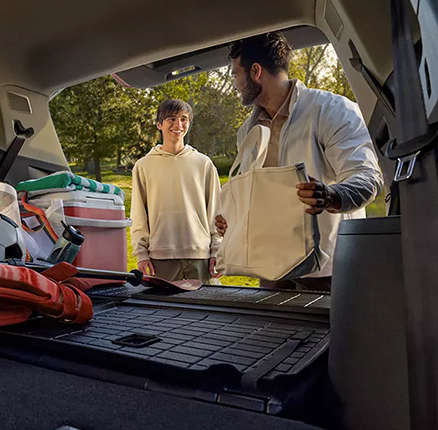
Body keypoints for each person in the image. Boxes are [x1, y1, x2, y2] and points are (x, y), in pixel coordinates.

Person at [215, 32, 383, 292]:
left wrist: (331, 195)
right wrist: (233, 218)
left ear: (255, 71)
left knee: (323, 334)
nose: (236, 83)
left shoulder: (333, 110)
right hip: (270, 267)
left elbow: (367, 177)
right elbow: (254, 196)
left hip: (325, 270)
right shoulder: (246, 133)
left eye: (236, 74)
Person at [131, 99, 221, 283]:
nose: (178, 124)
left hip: (199, 255)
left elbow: (216, 210)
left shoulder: (203, 164)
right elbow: (138, 214)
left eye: (184, 119)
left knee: (207, 309)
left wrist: (218, 251)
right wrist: (141, 253)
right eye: (171, 119)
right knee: (165, 311)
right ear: (159, 124)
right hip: (160, 257)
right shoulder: (143, 166)